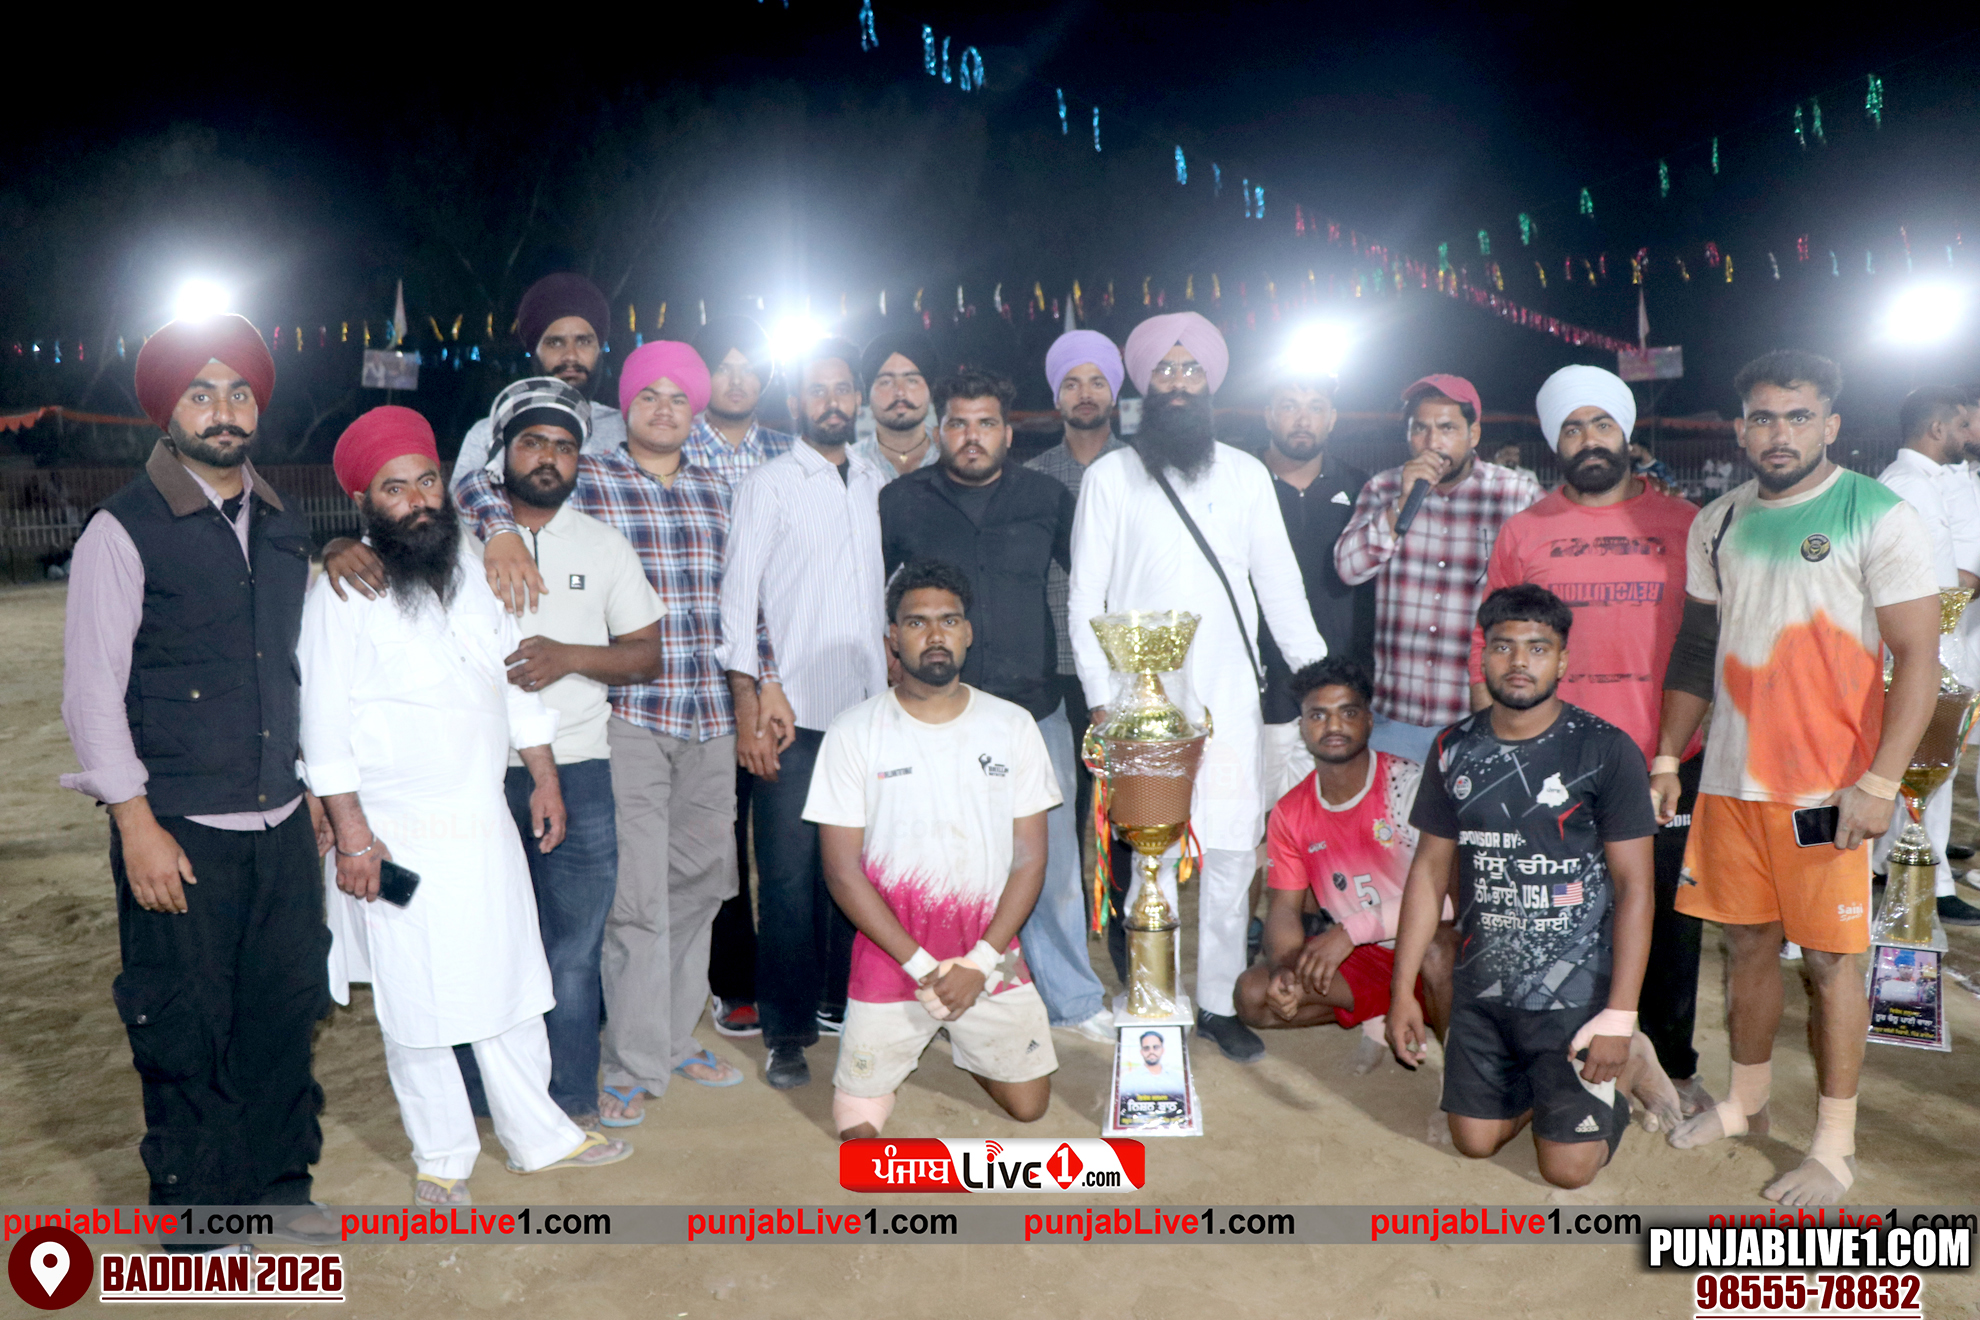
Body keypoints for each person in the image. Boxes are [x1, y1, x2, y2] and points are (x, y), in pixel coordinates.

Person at [303, 407, 631, 1207]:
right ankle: (442, 1158)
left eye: (426, 482)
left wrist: (543, 774)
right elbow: (322, 725)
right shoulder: (342, 591)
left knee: (511, 975)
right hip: (394, 832)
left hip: (483, 821)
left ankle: (539, 1135)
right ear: (363, 502)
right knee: (417, 994)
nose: (417, 501)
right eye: (395, 489)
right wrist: (354, 838)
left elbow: (513, 682)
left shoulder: (477, 567)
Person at [61, 314, 329, 1241]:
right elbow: (92, 693)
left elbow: (297, 667)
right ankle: (202, 1220)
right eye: (202, 393)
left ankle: (280, 1190)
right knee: (186, 1024)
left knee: (282, 1012)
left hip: (282, 820)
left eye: (240, 392)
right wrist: (135, 822)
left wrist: (312, 791)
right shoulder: (122, 529)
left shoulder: (285, 524)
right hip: (179, 828)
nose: (224, 410)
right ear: (167, 412)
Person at [1656, 351, 1940, 1206]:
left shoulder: (1876, 513)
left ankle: (1834, 1146)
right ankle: (1747, 1102)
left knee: (1829, 962)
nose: (1780, 433)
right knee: (1744, 945)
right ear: (1740, 428)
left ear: (1831, 424)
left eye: (1799, 416)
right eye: (1764, 418)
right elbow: (1697, 650)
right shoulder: (1718, 520)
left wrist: (1880, 783)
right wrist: (1669, 755)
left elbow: (1919, 658)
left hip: (1828, 792)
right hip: (1731, 782)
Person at [464, 347, 753, 1120]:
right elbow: (479, 484)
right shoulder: (588, 476)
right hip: (628, 721)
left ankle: (671, 1035)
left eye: (679, 398)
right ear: (623, 408)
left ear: (696, 412)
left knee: (703, 886)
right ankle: (629, 1059)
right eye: (648, 394)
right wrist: (498, 531)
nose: (664, 408)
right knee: (635, 903)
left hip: (711, 715)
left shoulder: (720, 489)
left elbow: (749, 595)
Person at [1068, 311, 1327, 1064]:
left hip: (1231, 698)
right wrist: (1102, 700)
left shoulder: (1246, 475)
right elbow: (1086, 599)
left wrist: (1318, 684)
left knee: (1232, 850)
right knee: (1147, 855)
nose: (1178, 382)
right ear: (1145, 384)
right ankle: (1149, 994)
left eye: (1190, 370)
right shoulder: (1109, 477)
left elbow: (1280, 588)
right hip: (1139, 704)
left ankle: (1215, 1001)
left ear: (1210, 382)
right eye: (1164, 370)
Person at [1465, 365, 1707, 1122]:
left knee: (1668, 917)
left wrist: (1674, 752)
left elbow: (1707, 644)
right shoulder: (1525, 530)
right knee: (1555, 916)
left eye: (1602, 423)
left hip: (1665, 756)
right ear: (1554, 442)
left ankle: (1670, 1063)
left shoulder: (1687, 522)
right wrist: (1497, 757)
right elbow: (1490, 645)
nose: (1589, 439)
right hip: (1552, 761)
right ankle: (1559, 1058)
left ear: (1626, 434)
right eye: (1572, 428)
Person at [1388, 585, 1670, 1190]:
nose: (1519, 661)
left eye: (1538, 648)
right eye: (1503, 646)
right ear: (1482, 656)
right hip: (1484, 991)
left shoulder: (1605, 750)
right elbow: (1429, 872)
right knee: (1474, 1142)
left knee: (1567, 1172)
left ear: (1563, 661)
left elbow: (1635, 889)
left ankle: (1624, 1069)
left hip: (1576, 996)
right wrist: (1401, 991)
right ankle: (1538, 1090)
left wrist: (1619, 1017)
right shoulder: (1453, 749)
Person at [446, 378, 670, 1128]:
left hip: (578, 769)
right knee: (481, 941)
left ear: (581, 460)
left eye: (564, 447)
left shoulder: (603, 545)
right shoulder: (457, 543)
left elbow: (645, 655)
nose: (548, 458)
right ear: (503, 452)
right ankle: (478, 1099)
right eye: (533, 443)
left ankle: (571, 1096)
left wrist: (569, 655)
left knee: (573, 948)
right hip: (471, 775)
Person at [878, 368, 1113, 1042]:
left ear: (1008, 434)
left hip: (1034, 712)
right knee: (938, 859)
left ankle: (1073, 1002)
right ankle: (939, 993)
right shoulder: (899, 501)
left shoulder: (1046, 497)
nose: (971, 436)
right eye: (958, 423)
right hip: (933, 715)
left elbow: (1093, 581)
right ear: (939, 431)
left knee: (1055, 865)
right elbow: (874, 595)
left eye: (986, 423)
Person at [805, 561, 1060, 1138]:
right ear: (893, 639)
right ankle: (915, 1036)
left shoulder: (1013, 725)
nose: (935, 634)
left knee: (1030, 1106)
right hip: (892, 955)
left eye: (949, 620)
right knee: (857, 1133)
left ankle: (958, 1034)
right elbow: (841, 872)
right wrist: (923, 968)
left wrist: (978, 964)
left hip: (986, 952)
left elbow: (1031, 860)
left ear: (968, 632)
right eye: (917, 622)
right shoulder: (854, 731)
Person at [719, 338, 889, 1089]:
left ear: (857, 399)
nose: (832, 401)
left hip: (871, 715)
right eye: (817, 390)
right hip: (790, 715)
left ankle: (839, 1003)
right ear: (795, 404)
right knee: (787, 879)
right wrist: (751, 698)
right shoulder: (768, 485)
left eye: (843, 388)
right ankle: (786, 1032)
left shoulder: (878, 480)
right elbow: (737, 601)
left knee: (855, 873)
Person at [1237, 657, 1457, 1072]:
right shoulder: (1290, 811)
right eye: (1318, 715)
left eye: (1348, 713)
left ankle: (1459, 1075)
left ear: (1370, 721)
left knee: (1436, 952)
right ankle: (1380, 1008)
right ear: (1302, 727)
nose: (1333, 726)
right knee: (1254, 995)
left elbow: (1449, 901)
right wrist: (1284, 968)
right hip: (1367, 956)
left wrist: (1348, 931)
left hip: (1429, 947)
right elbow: (1283, 909)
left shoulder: (1409, 785)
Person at [684, 314, 798, 1040]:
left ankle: (801, 978)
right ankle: (734, 982)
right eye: (723, 367)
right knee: (718, 841)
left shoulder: (791, 453)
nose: (737, 379)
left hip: (786, 675)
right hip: (697, 681)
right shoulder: (670, 444)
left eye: (750, 367)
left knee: (789, 843)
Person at [1335, 375, 1543, 767]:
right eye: (1420, 429)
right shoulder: (1383, 488)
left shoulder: (1517, 495)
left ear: (1473, 433)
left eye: (1447, 428)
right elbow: (1349, 569)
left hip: (1480, 715)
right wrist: (1400, 505)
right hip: (1396, 715)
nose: (1432, 442)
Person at [1874, 386, 1980, 925]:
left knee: (1929, 771)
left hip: (1937, 643)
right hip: (1919, 649)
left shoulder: (1928, 482)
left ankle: (1898, 868)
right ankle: (1926, 886)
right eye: (1960, 426)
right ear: (1937, 429)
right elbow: (1907, 583)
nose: (1966, 436)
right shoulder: (1907, 485)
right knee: (1925, 772)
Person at [1026, 330, 1128, 864]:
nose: (1085, 393)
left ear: (1114, 392)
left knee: (1131, 813)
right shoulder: (1031, 479)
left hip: (1129, 669)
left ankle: (1129, 914)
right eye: (1071, 383)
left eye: (1096, 381)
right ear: (1056, 397)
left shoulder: (1143, 470)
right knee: (1059, 813)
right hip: (1056, 671)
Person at [1257, 368, 1377, 805]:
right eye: (1289, 406)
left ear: (1332, 418)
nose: (1302, 419)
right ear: (1269, 415)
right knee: (1255, 822)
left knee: (1333, 816)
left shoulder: (1361, 488)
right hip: (1259, 686)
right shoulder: (1242, 482)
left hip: (1339, 685)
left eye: (1315, 408)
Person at [452, 274, 624, 487]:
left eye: (584, 341)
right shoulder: (490, 434)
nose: (571, 356)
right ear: (534, 353)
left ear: (599, 350)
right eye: (555, 343)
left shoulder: (625, 431)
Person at [852, 329, 942, 481]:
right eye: (886, 382)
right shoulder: (850, 464)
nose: (900, 392)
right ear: (868, 396)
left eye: (912, 381)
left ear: (931, 392)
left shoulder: (954, 457)